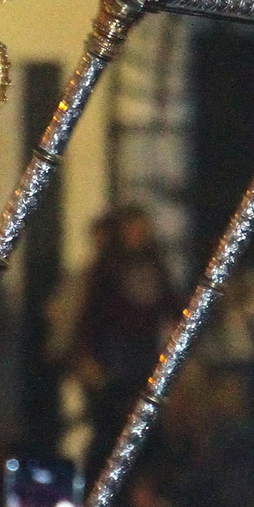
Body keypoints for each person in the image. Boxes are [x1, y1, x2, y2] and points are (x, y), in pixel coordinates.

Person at [64, 205, 184, 479]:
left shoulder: (154, 266)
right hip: (113, 355)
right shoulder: (107, 268)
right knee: (110, 427)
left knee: (145, 424)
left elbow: (172, 305)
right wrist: (88, 357)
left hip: (144, 354)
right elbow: (92, 316)